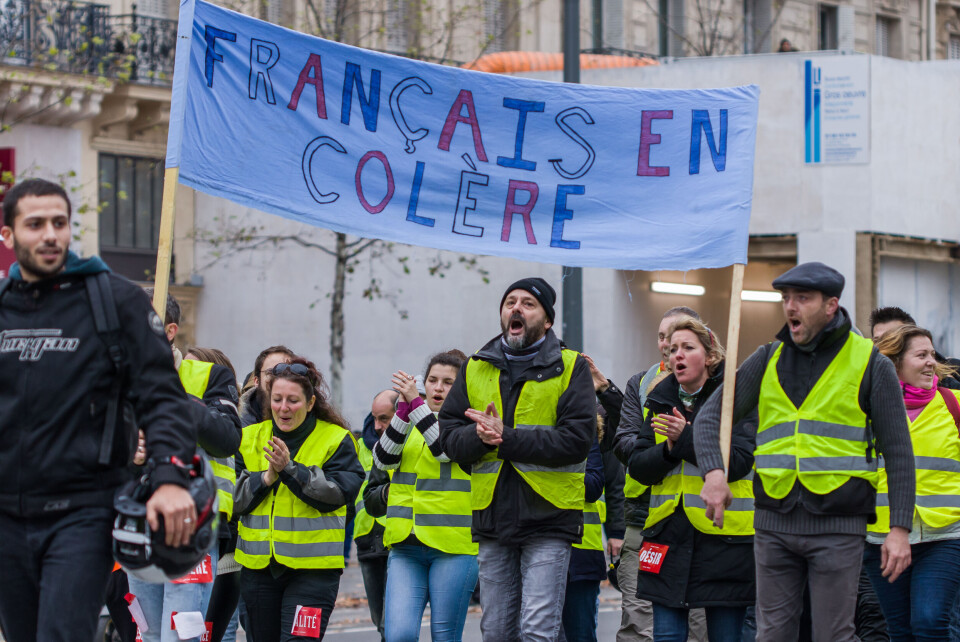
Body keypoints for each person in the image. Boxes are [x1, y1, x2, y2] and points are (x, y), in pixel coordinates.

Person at [0, 178, 198, 642]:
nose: (50, 234)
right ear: (8, 235)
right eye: (35, 224)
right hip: (6, 515)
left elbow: (163, 399)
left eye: (59, 223)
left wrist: (170, 479)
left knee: (61, 634)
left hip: (83, 513)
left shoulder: (115, 302)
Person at [696, 262, 916, 641]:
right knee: (773, 635)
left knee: (832, 635)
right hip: (772, 523)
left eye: (803, 298)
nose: (790, 307)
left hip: (838, 523)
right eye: (786, 298)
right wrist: (715, 473)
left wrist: (899, 529)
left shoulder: (870, 363)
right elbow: (709, 418)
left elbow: (899, 452)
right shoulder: (767, 358)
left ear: (831, 305)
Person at [439, 277, 596, 641]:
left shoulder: (572, 367)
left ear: (547, 320)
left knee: (538, 631)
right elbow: (448, 436)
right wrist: (478, 437)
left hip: (550, 517)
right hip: (493, 517)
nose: (516, 308)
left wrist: (506, 437)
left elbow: (575, 441)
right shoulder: (475, 366)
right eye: (510, 302)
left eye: (528, 303)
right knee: (496, 632)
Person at [626, 317, 756, 641]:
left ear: (710, 357)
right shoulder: (659, 399)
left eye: (687, 347)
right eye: (672, 350)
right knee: (666, 637)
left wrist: (685, 439)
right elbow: (638, 467)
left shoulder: (736, 399)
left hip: (723, 537)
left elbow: (739, 462)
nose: (677, 356)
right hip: (666, 536)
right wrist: (669, 451)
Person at [128, 299, 242, 642]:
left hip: (193, 523)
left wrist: (175, 397)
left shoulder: (209, 376)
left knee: (180, 636)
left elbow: (227, 439)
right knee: (149, 635)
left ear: (170, 331)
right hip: (137, 528)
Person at [234, 357, 364, 640]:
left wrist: (289, 469)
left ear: (310, 402)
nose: (283, 407)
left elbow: (338, 494)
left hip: (313, 573)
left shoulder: (336, 439)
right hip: (258, 570)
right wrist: (266, 478)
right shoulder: (247, 438)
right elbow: (232, 500)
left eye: (293, 400)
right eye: (277, 399)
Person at [365, 350, 479, 642]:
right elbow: (383, 460)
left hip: (453, 547)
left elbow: (444, 449)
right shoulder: (410, 419)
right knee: (398, 635)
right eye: (432, 380)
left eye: (448, 382)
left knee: (444, 637)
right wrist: (402, 411)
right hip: (405, 545)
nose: (438, 388)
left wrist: (415, 403)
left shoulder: (469, 424)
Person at [613, 306, 707, 642]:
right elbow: (625, 445)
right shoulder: (640, 385)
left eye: (680, 339)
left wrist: (684, 439)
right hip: (644, 519)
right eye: (663, 337)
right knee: (638, 622)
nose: (670, 345)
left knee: (699, 627)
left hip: (701, 524)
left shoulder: (717, 388)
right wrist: (668, 447)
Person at [864, 325, 960, 640]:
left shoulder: (954, 404)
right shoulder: (865, 410)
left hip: (945, 536)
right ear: (894, 363)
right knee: (900, 630)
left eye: (932, 354)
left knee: (930, 622)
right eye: (921, 355)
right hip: (881, 539)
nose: (931, 361)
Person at [353, 389, 399, 641]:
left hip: (395, 537)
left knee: (393, 619)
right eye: (374, 419)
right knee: (378, 617)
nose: (378, 425)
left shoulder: (404, 442)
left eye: (385, 418)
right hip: (366, 538)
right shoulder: (360, 446)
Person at [870, 306, 960, 389]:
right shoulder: (867, 384)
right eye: (878, 341)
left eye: (893, 338)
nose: (884, 346)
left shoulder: (949, 387)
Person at [239, 345, 297, 426]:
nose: (278, 379)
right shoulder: (237, 423)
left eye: (286, 373)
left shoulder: (315, 421)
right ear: (256, 381)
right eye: (270, 373)